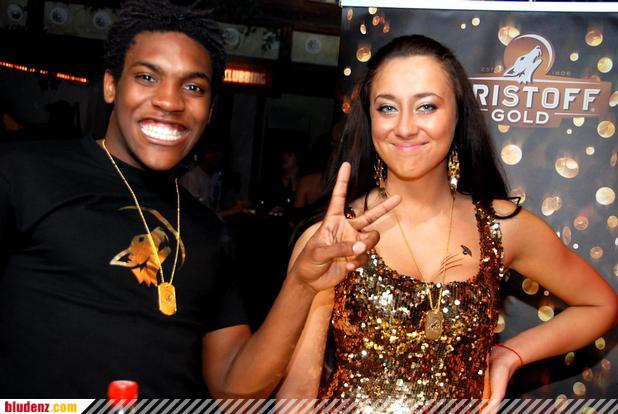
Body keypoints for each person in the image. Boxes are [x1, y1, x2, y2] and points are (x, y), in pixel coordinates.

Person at [0, 0, 400, 397]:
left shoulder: (209, 232)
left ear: (209, 111)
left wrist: (302, 284)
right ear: (110, 85)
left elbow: (234, 389)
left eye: (193, 87)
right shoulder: (23, 174)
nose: (170, 101)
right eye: (147, 77)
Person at [276, 35, 616, 409]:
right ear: (369, 118)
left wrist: (510, 355)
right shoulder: (333, 236)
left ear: (457, 114)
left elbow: (599, 304)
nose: (405, 127)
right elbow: (299, 390)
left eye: (426, 106)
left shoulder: (502, 226)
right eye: (387, 108)